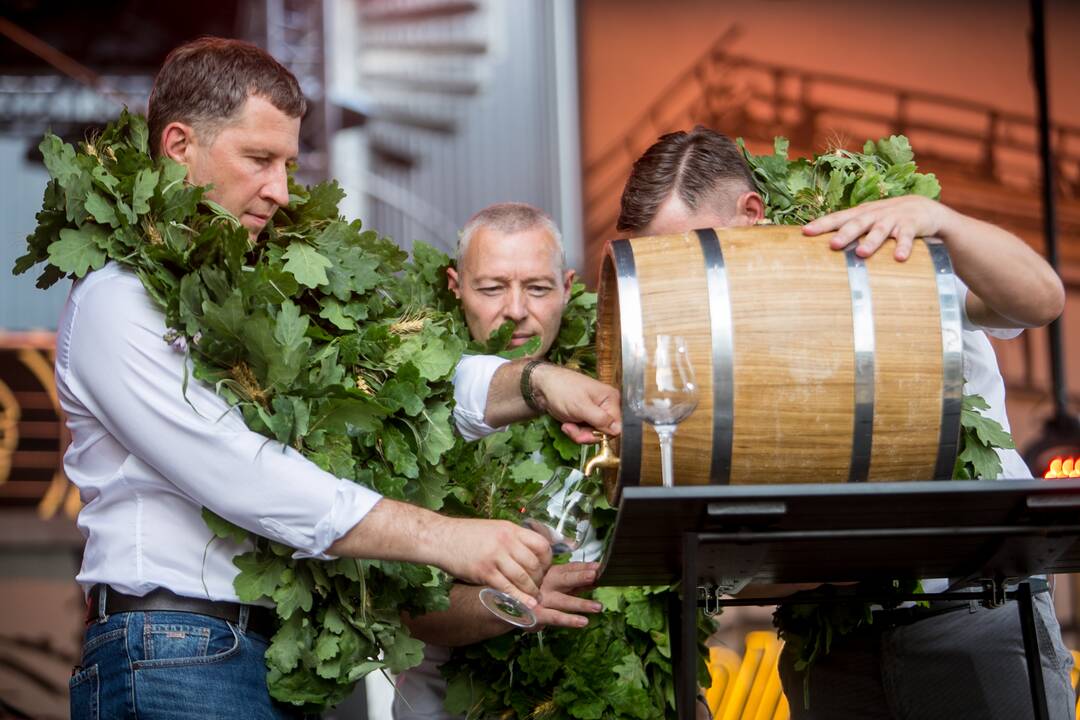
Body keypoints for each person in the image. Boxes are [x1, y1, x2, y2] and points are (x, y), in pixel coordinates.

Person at [63, 39, 620, 720]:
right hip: (174, 646)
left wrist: (536, 385)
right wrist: (450, 537)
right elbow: (245, 475)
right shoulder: (117, 300)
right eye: (260, 160)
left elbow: (399, 380)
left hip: (257, 651)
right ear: (179, 145)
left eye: (290, 165)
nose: (281, 190)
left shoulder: (263, 295)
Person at [616, 126, 1074, 720]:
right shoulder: (696, 339)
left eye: (687, 250)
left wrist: (944, 223)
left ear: (750, 213)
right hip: (829, 637)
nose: (675, 277)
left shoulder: (870, 251)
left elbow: (1040, 301)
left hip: (971, 616)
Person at [392, 202, 605, 720]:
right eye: (491, 289)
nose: (515, 309)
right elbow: (404, 609)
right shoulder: (410, 408)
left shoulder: (610, 389)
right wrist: (519, 602)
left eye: (537, 288)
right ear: (455, 286)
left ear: (568, 286)